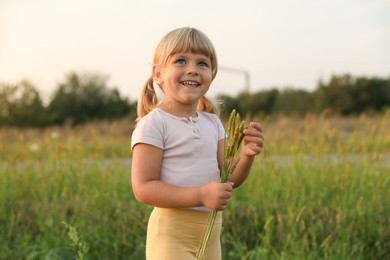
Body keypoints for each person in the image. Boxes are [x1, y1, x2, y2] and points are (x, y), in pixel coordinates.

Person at [131, 27, 264, 260]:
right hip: (171, 235)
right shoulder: (154, 123)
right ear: (158, 74)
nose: (192, 70)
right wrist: (201, 195)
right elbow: (143, 188)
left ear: (211, 75)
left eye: (202, 64)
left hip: (210, 235)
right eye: (181, 61)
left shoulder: (212, 123)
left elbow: (229, 179)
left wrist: (246, 156)